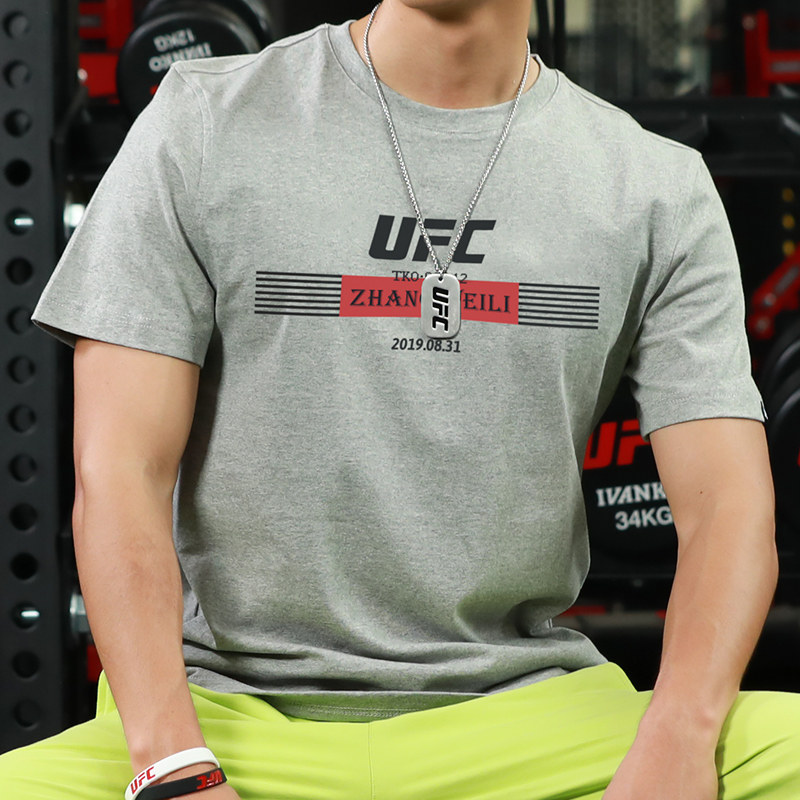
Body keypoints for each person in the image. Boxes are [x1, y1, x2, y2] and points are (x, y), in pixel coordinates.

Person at [2, 1, 798, 798]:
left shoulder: (655, 187)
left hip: (522, 721)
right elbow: (119, 474)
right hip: (228, 717)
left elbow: (728, 510)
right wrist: (175, 766)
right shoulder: (203, 122)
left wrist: (679, 736)